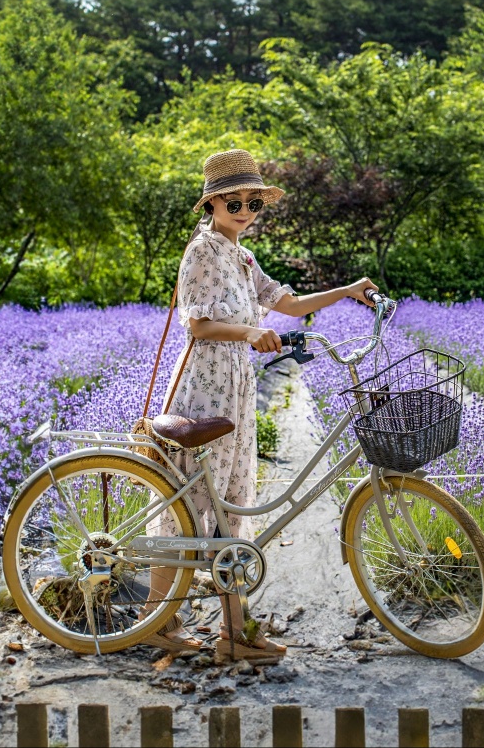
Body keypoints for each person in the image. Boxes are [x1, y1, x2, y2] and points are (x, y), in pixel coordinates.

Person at [143, 149, 379, 660]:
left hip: (238, 388)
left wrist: (349, 291)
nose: (246, 211)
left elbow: (288, 304)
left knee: (230, 510)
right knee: (190, 508)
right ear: (213, 204)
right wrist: (251, 331)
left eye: (255, 202)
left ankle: (233, 631)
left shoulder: (243, 257)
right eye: (235, 202)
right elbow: (198, 325)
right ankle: (157, 620)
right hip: (206, 385)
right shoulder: (202, 251)